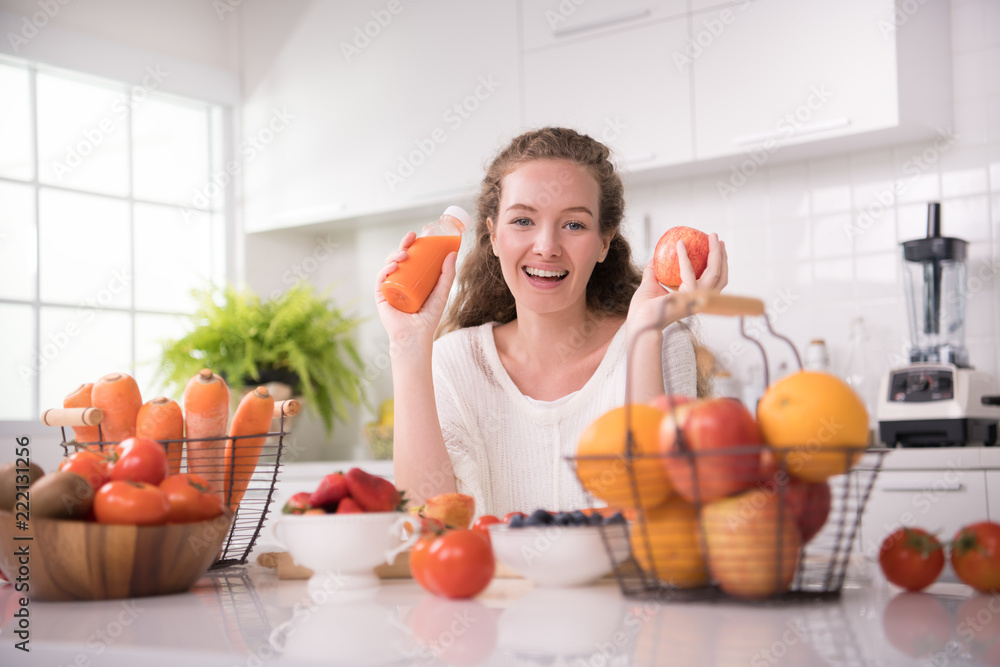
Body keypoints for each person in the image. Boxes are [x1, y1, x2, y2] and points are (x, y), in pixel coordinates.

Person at [375, 127, 728, 518]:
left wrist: (644, 333)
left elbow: (659, 516)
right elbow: (428, 523)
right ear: (492, 236)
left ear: (604, 242)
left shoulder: (660, 340)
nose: (546, 246)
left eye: (574, 225)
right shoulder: (453, 363)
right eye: (523, 221)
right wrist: (407, 345)